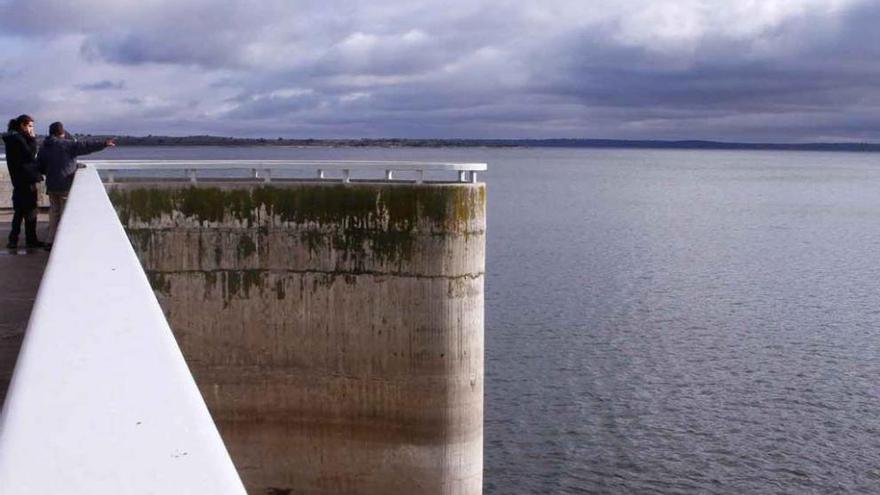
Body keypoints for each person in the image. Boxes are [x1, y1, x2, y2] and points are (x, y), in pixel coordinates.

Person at [38, 122, 115, 244]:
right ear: (62, 133)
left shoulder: (44, 146)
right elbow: (86, 146)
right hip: (65, 184)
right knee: (64, 214)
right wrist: (104, 144)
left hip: (52, 184)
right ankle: (61, 242)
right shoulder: (67, 145)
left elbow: (40, 166)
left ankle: (50, 240)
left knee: (54, 212)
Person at [4, 114, 46, 249]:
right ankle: (29, 240)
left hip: (18, 179)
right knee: (30, 211)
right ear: (22, 125)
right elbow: (30, 154)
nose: (31, 129)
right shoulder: (18, 139)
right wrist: (33, 139)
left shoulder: (12, 138)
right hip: (26, 180)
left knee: (20, 211)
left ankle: (14, 240)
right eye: (29, 126)